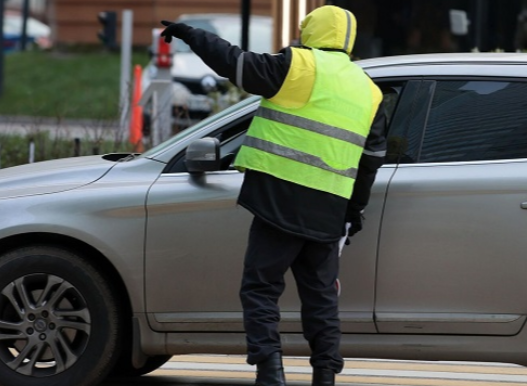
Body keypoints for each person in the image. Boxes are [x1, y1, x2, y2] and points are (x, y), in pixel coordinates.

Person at [161, 5, 387, 386]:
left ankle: (270, 372)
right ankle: (325, 375)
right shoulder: (368, 90)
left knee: (261, 288)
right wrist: (353, 212)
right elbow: (372, 159)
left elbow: (234, 63)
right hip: (329, 209)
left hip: (280, 198)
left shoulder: (297, 65)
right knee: (321, 300)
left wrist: (191, 34)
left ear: (312, 31)